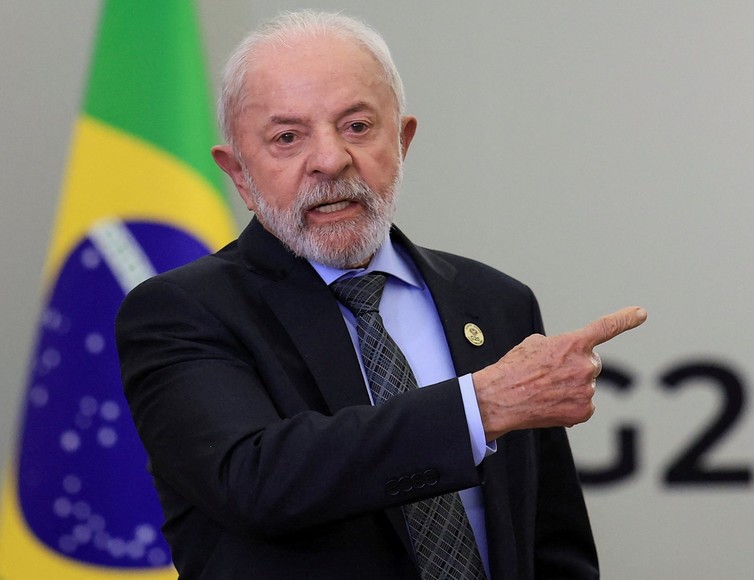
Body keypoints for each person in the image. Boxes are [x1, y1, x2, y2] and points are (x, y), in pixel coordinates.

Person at [116, 10, 646, 580]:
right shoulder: (181, 312)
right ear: (239, 173)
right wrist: (479, 409)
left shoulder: (496, 303)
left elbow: (551, 543)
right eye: (287, 137)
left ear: (404, 140)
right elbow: (254, 479)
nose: (331, 159)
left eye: (357, 126)